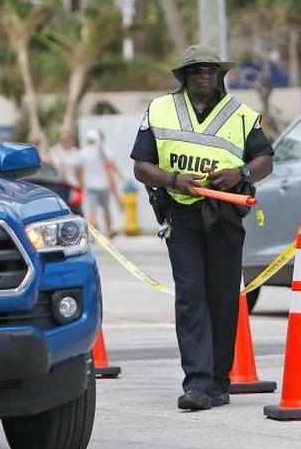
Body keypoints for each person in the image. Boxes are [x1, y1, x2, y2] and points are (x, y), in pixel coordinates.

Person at [131, 44, 273, 411]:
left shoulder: (240, 115)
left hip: (224, 214)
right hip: (182, 214)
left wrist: (239, 173)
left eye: (211, 69)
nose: (205, 75)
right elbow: (141, 166)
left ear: (220, 75)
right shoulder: (160, 110)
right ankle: (196, 383)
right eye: (197, 70)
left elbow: (265, 159)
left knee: (223, 298)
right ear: (184, 76)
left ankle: (219, 382)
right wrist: (174, 180)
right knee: (190, 296)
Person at [80, 129, 122, 237]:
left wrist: (81, 183)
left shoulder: (83, 153)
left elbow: (80, 170)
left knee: (92, 210)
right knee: (106, 208)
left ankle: (92, 235)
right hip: (104, 185)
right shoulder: (104, 151)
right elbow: (112, 165)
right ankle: (109, 230)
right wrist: (121, 177)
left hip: (90, 185)